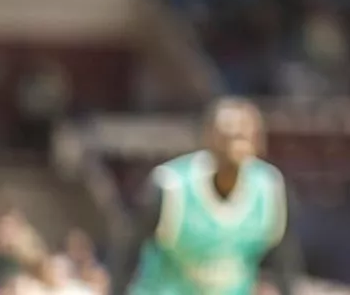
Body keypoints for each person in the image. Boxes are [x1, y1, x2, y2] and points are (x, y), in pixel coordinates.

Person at [109, 99, 303, 295]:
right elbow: (127, 253)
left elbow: (284, 260)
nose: (237, 134)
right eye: (228, 129)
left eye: (245, 130)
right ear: (207, 136)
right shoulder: (171, 187)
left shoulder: (270, 188)